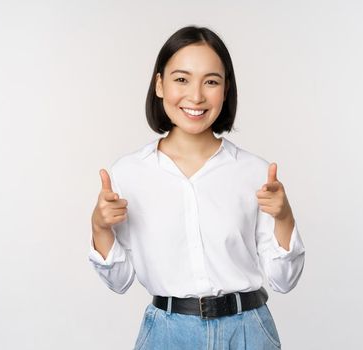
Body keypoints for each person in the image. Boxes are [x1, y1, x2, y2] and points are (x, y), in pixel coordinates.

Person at [88, 26, 306, 350]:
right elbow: (118, 282)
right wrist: (100, 226)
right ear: (160, 84)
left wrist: (285, 217)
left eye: (211, 81)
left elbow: (284, 281)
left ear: (225, 89)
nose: (196, 95)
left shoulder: (254, 172)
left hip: (248, 332)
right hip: (167, 334)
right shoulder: (130, 173)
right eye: (181, 79)